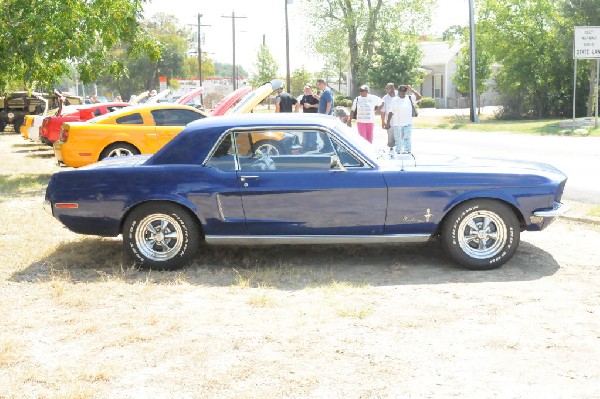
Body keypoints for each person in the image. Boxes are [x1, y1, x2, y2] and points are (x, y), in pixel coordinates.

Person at [384, 84, 422, 155]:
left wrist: (412, 90)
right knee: (398, 140)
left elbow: (419, 97)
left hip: (407, 124)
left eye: (404, 90)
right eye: (401, 90)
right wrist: (388, 122)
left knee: (407, 138)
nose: (402, 92)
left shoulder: (410, 98)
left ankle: (408, 152)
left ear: (406, 91)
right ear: (398, 91)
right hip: (397, 124)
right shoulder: (395, 100)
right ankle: (398, 152)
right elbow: (390, 112)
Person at [296, 84, 320, 151]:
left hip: (313, 116)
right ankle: (306, 145)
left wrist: (310, 106)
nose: (306, 90)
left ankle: (313, 146)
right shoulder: (304, 96)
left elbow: (318, 105)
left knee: (313, 131)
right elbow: (301, 104)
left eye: (308, 89)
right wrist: (299, 105)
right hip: (305, 117)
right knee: (306, 131)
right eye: (305, 89)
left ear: (311, 89)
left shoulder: (314, 96)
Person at [381, 83, 397, 156]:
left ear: (393, 88)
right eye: (386, 88)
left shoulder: (399, 95)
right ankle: (391, 149)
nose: (386, 90)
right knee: (390, 136)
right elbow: (383, 111)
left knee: (400, 135)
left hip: (400, 120)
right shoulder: (385, 98)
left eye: (388, 88)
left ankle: (399, 150)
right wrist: (383, 121)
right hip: (389, 121)